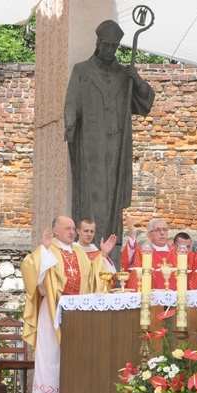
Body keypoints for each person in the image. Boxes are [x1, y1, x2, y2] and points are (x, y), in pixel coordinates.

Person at [64, 20, 155, 265]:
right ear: (98, 43)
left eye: (114, 46)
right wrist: (70, 123)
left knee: (113, 195)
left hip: (116, 145)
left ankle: (112, 254)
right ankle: (89, 250)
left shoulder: (123, 75)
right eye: (106, 45)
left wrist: (136, 79)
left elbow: (145, 104)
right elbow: (71, 102)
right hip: (91, 142)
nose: (110, 50)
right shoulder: (82, 70)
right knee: (92, 194)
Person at [21, 216, 116, 393]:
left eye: (73, 228)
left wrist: (103, 256)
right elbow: (31, 271)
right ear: (55, 231)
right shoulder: (49, 250)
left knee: (75, 353)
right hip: (53, 310)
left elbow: (93, 277)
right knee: (51, 353)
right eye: (67, 229)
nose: (72, 232)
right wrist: (44, 250)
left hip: (77, 312)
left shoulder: (80, 253)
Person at [120, 216, 197, 290]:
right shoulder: (143, 253)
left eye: (164, 230)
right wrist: (132, 235)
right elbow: (129, 260)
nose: (162, 233)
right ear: (149, 235)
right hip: (152, 301)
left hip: (176, 299)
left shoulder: (177, 254)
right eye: (157, 230)